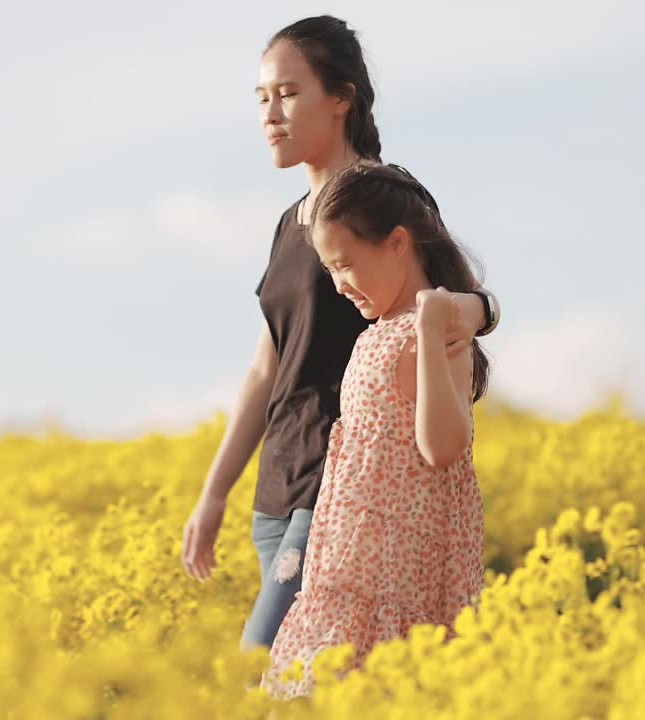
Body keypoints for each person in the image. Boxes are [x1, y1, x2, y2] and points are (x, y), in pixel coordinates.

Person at [179, 15, 501, 654]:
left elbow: (442, 296)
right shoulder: (289, 225)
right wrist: (215, 493)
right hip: (279, 488)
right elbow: (267, 367)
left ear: (341, 99)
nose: (271, 113)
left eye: (289, 93)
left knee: (266, 666)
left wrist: (480, 310)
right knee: (311, 670)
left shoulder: (379, 205)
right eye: (262, 98)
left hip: (344, 488)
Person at [261, 161, 488, 699]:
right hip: (346, 570)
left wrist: (433, 331)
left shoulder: (436, 332)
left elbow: (444, 447)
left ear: (397, 243)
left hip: (399, 581)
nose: (339, 285)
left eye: (346, 265)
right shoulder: (376, 334)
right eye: (330, 271)